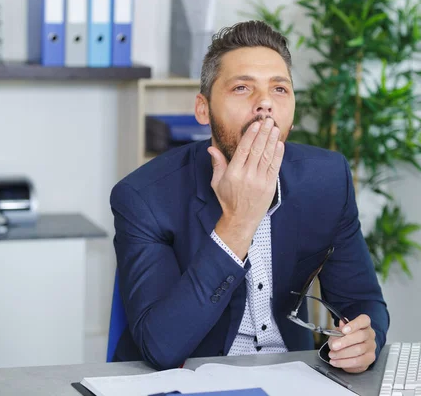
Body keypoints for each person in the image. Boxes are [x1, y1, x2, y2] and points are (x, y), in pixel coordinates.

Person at [109, 20, 389, 373]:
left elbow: (361, 300)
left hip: (291, 376)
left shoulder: (327, 179)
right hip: (187, 378)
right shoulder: (144, 197)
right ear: (202, 108)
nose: (265, 104)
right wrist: (238, 222)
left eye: (280, 90)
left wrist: (366, 339)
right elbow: (161, 346)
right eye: (242, 88)